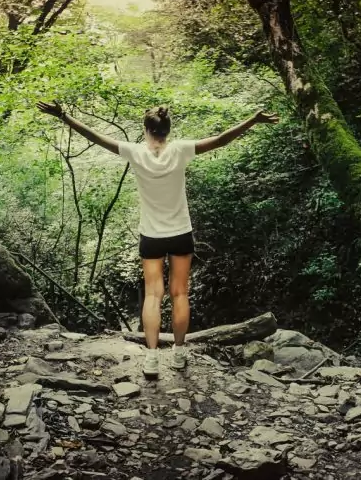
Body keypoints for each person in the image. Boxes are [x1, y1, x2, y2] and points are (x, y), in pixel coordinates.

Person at [37, 101, 278, 378]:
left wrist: (64, 116)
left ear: (145, 129)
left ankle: (151, 358)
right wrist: (252, 120)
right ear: (168, 129)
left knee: (152, 295)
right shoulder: (181, 149)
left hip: (151, 235)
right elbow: (221, 140)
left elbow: (95, 137)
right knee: (180, 293)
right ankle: (178, 353)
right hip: (180, 233)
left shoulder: (135, 151)